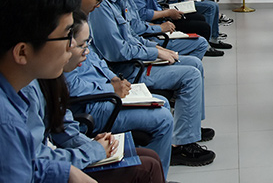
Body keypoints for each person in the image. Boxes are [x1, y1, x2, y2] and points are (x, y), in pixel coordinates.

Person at [86, 0, 216, 166]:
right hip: (128, 69)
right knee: (190, 75)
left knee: (194, 63)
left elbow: (133, 34)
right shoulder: (101, 7)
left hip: (137, 59)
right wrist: (155, 50)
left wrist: (157, 49)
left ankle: (188, 127)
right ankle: (183, 143)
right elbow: (118, 51)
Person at [0, 0, 95, 182]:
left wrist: (66, 172)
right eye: (66, 35)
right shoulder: (6, 124)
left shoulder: (14, 95)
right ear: (22, 52)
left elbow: (28, 164)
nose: (71, 45)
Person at [64, 11, 174, 176]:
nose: (85, 51)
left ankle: (157, 173)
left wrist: (114, 79)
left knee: (162, 103)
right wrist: (110, 88)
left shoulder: (82, 26)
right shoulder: (65, 47)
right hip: (92, 105)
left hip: (106, 94)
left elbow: (97, 60)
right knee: (163, 118)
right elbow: (71, 87)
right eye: (81, 46)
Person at [24, 71, 167, 182]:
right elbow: (37, 161)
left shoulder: (47, 79)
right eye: (71, 44)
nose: (85, 50)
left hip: (58, 156)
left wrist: (92, 145)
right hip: (50, 170)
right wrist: (92, 151)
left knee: (151, 155)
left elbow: (63, 128)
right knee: (148, 168)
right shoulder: (28, 90)